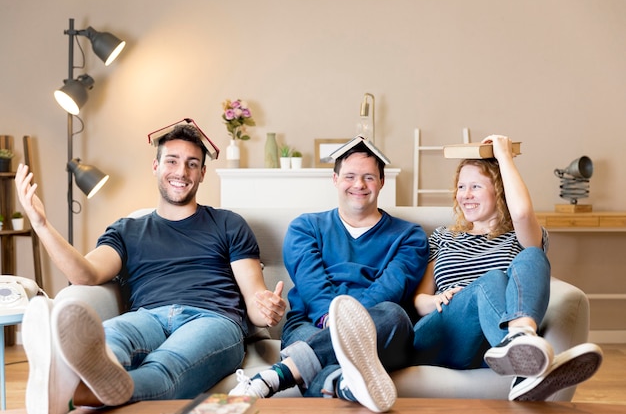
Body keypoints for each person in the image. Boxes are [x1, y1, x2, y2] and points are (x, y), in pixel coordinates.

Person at [15, 120, 286, 414]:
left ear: (203, 173)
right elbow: (85, 274)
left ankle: (73, 394)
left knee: (166, 367)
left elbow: (255, 302)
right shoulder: (126, 230)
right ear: (155, 166)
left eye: (192, 164)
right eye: (172, 161)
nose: (181, 172)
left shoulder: (229, 224)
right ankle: (66, 369)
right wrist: (41, 225)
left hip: (213, 320)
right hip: (147, 318)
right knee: (109, 340)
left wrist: (268, 309)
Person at [229, 141, 429, 412]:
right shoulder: (305, 227)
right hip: (310, 324)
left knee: (394, 314)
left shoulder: (409, 236)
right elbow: (312, 285)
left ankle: (274, 377)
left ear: (382, 182)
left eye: (368, 177)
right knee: (322, 348)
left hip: (382, 329)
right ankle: (343, 384)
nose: (358, 184)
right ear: (335, 180)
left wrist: (347, 324)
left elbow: (390, 288)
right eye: (349, 176)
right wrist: (332, 321)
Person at [411, 134, 603, 401]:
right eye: (461, 186)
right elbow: (418, 301)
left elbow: (522, 214)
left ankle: (521, 348)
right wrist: (436, 300)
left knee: (533, 255)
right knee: (491, 280)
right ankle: (525, 356)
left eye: (476, 187)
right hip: (445, 333)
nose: (465, 195)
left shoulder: (517, 237)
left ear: (499, 191)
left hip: (487, 347)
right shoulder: (444, 236)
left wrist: (504, 157)